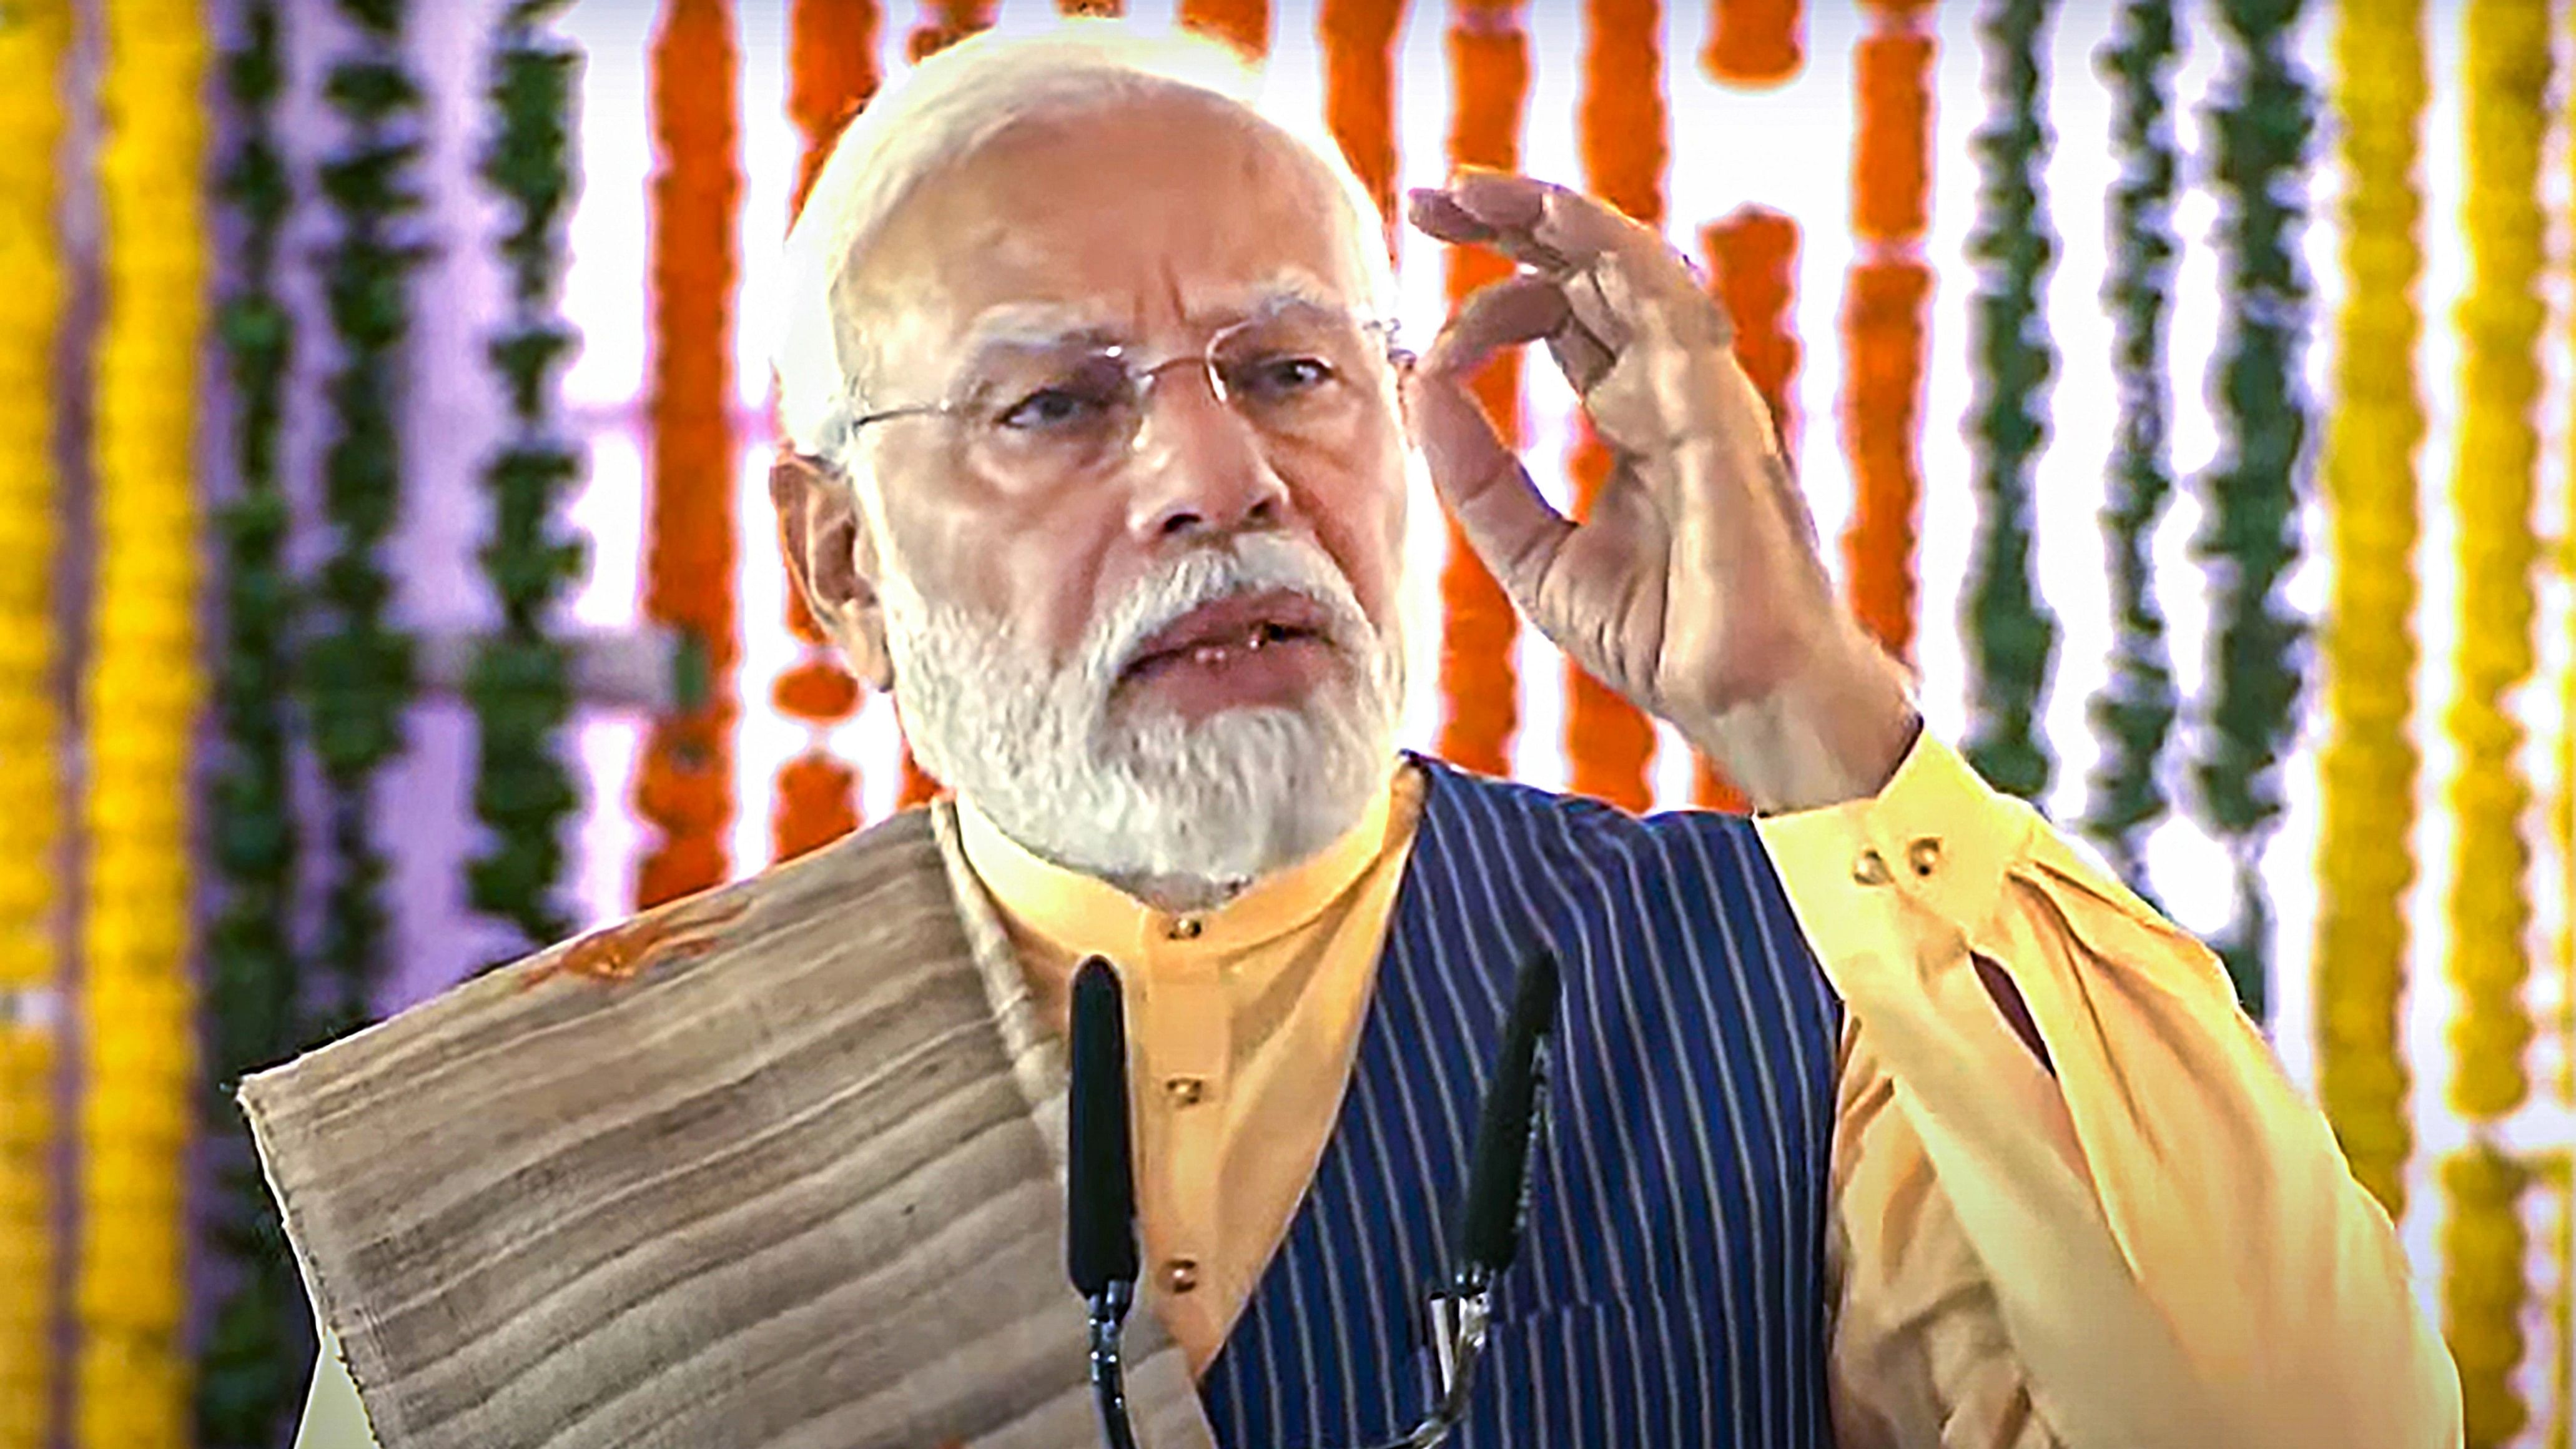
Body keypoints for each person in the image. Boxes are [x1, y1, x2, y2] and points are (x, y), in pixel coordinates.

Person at [253, 21, 2460, 1449]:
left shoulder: (1801, 980)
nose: (1218, 480)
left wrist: (1821, 728)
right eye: (1057, 403)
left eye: (1293, 371)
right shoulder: (567, 1137)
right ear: (836, 561)